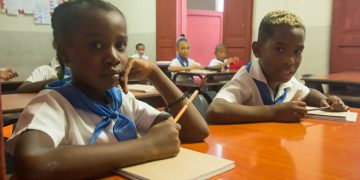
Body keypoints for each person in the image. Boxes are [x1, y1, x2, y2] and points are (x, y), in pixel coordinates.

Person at [6, 0, 208, 179]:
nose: (114, 56)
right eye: (95, 45)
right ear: (65, 54)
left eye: (120, 45)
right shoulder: (52, 105)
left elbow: (196, 132)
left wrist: (155, 74)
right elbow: (33, 164)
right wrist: (147, 146)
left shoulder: (122, 100)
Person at [206, 10, 348, 124]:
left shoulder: (284, 79)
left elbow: (307, 93)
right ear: (257, 50)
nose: (290, 61)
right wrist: (273, 112)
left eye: (297, 51)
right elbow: (215, 110)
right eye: (280, 49)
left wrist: (325, 100)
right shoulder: (247, 78)